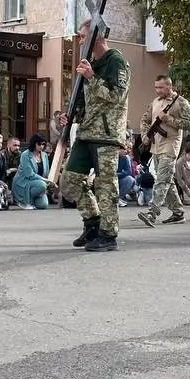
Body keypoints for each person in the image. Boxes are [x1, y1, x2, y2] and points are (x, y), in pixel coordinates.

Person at [61, 18, 130, 252]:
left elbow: (116, 96)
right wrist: (70, 116)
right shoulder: (89, 63)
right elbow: (84, 103)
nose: (80, 40)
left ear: (97, 37)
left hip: (107, 135)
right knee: (69, 181)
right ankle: (92, 223)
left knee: (106, 185)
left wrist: (92, 77)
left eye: (83, 36)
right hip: (87, 132)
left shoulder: (116, 61)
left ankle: (108, 235)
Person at [137, 74, 190, 227]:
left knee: (162, 180)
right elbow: (144, 120)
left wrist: (169, 120)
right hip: (156, 146)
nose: (157, 90)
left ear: (170, 86)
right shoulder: (155, 102)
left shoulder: (181, 102)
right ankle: (178, 212)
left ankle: (152, 213)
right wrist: (145, 136)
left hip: (170, 146)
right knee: (167, 181)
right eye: (156, 87)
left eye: (161, 87)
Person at [13, 134, 50, 209]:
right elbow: (29, 175)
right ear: (34, 143)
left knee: (43, 205)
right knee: (42, 185)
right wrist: (46, 181)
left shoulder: (44, 155)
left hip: (37, 183)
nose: (41, 146)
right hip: (23, 182)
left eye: (43, 144)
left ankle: (30, 201)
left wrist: (50, 182)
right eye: (39, 144)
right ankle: (23, 201)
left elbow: (46, 172)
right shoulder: (25, 155)